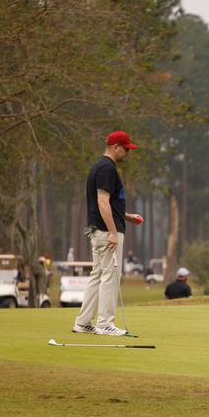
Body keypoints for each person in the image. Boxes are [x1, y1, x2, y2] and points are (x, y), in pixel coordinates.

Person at [72, 131, 143, 336]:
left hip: (101, 230)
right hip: (106, 232)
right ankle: (105, 324)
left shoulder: (101, 166)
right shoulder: (106, 168)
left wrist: (126, 215)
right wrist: (113, 231)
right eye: (126, 148)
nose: (128, 152)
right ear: (115, 147)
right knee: (110, 276)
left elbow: (107, 202)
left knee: (98, 275)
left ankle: (84, 322)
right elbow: (102, 202)